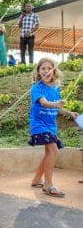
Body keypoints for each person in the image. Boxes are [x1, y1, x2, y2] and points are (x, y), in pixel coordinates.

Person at [28, 58, 78, 197]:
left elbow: (58, 107)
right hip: (39, 125)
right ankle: (48, 184)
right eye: (43, 68)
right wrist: (56, 104)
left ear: (53, 70)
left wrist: (69, 113)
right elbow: (44, 103)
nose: (46, 71)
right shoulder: (37, 87)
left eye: (49, 68)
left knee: (49, 153)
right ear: (38, 71)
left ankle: (37, 179)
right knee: (54, 151)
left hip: (51, 126)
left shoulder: (55, 89)